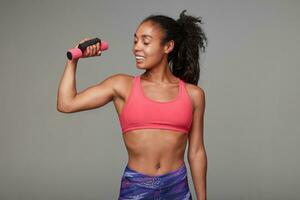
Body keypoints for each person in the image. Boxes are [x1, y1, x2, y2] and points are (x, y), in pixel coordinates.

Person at [57, 9, 207, 200]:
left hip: (177, 187)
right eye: (135, 41)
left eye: (145, 42)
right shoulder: (121, 86)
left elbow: (196, 152)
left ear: (168, 46)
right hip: (136, 187)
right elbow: (66, 103)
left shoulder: (194, 95)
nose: (137, 47)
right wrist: (73, 61)